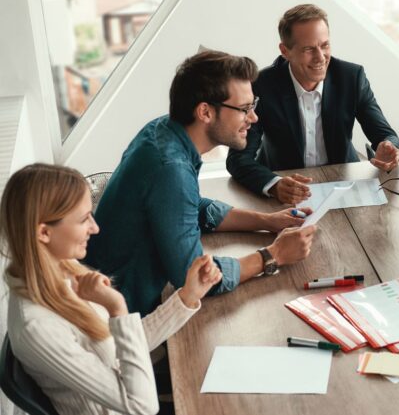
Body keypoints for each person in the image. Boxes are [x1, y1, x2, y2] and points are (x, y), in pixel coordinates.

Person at [84, 50, 316, 317]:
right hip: (127, 317)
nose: (253, 118)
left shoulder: (162, 131)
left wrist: (266, 221)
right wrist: (273, 256)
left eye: (253, 106)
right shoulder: (170, 169)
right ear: (205, 111)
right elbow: (195, 276)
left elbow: (189, 206)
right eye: (244, 109)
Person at [2, 163, 221, 414]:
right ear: (43, 232)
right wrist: (117, 307)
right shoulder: (38, 328)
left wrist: (188, 296)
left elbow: (123, 347)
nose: (95, 228)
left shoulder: (62, 269)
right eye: (84, 219)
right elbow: (142, 406)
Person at [226, 4, 399, 205]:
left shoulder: (351, 77)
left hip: (344, 184)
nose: (320, 57)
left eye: (325, 45)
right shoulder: (262, 85)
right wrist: (274, 184)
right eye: (309, 49)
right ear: (285, 51)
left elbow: (387, 136)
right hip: (286, 188)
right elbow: (238, 159)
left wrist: (389, 148)